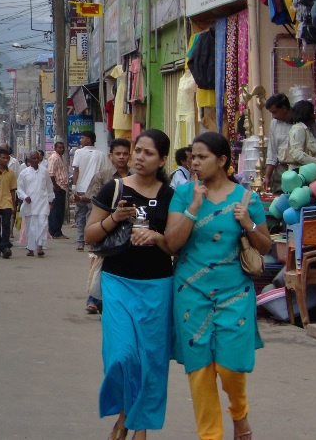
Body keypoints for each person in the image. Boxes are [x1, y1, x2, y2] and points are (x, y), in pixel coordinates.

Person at [165, 131, 270, 440]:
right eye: (192, 158)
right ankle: (210, 435)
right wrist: (193, 208)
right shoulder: (184, 194)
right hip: (191, 290)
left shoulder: (246, 198)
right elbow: (172, 244)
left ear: (223, 160)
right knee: (200, 372)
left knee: (231, 367)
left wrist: (247, 224)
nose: (195, 163)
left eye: (202, 157)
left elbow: (265, 247)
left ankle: (239, 413)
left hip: (234, 291)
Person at [84, 129, 175, 440]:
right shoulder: (115, 188)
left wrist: (158, 237)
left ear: (162, 159)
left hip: (157, 285)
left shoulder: (170, 196)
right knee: (123, 356)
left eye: (148, 153)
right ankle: (125, 415)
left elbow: (176, 245)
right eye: (138, 150)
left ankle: (137, 426)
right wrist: (115, 218)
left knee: (150, 359)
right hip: (118, 282)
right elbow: (90, 235)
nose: (139, 157)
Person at [83, 137, 132, 314]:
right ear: (110, 156)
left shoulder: (135, 176)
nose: (121, 157)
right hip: (104, 226)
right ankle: (94, 298)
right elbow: (92, 202)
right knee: (100, 262)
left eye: (125, 154)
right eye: (118, 154)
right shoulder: (102, 176)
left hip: (128, 228)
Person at [70, 132, 106, 249]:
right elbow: (103, 172)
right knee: (92, 216)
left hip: (81, 188)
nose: (80, 140)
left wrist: (74, 187)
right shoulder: (100, 154)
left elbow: (76, 170)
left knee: (80, 215)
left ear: (89, 140)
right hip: (95, 190)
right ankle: (91, 242)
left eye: (82, 138)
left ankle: (80, 241)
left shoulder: (79, 153)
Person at [17, 149, 53, 257]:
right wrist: (24, 196)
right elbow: (19, 188)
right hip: (30, 204)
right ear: (30, 160)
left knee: (43, 224)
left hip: (42, 202)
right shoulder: (24, 173)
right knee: (31, 227)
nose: (36, 160)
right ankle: (31, 248)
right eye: (34, 158)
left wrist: (50, 201)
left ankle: (40, 246)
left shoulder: (44, 171)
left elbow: (49, 187)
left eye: (37, 158)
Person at [283, 99, 316, 168]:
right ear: (307, 114)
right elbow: (297, 154)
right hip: (302, 174)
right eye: (313, 113)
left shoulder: (307, 129)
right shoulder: (298, 129)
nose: (314, 115)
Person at [263, 93, 291, 192]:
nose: (273, 116)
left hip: (299, 168)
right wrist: (267, 176)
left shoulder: (299, 122)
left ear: (284, 108)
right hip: (281, 169)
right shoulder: (274, 124)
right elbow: (272, 151)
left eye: (275, 112)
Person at [46, 141, 70, 241]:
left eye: (62, 147)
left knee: (59, 210)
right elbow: (51, 173)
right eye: (59, 147)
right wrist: (55, 186)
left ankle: (56, 230)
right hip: (58, 188)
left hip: (62, 187)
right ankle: (55, 231)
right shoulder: (54, 158)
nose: (62, 149)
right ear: (55, 148)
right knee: (56, 210)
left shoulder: (61, 157)